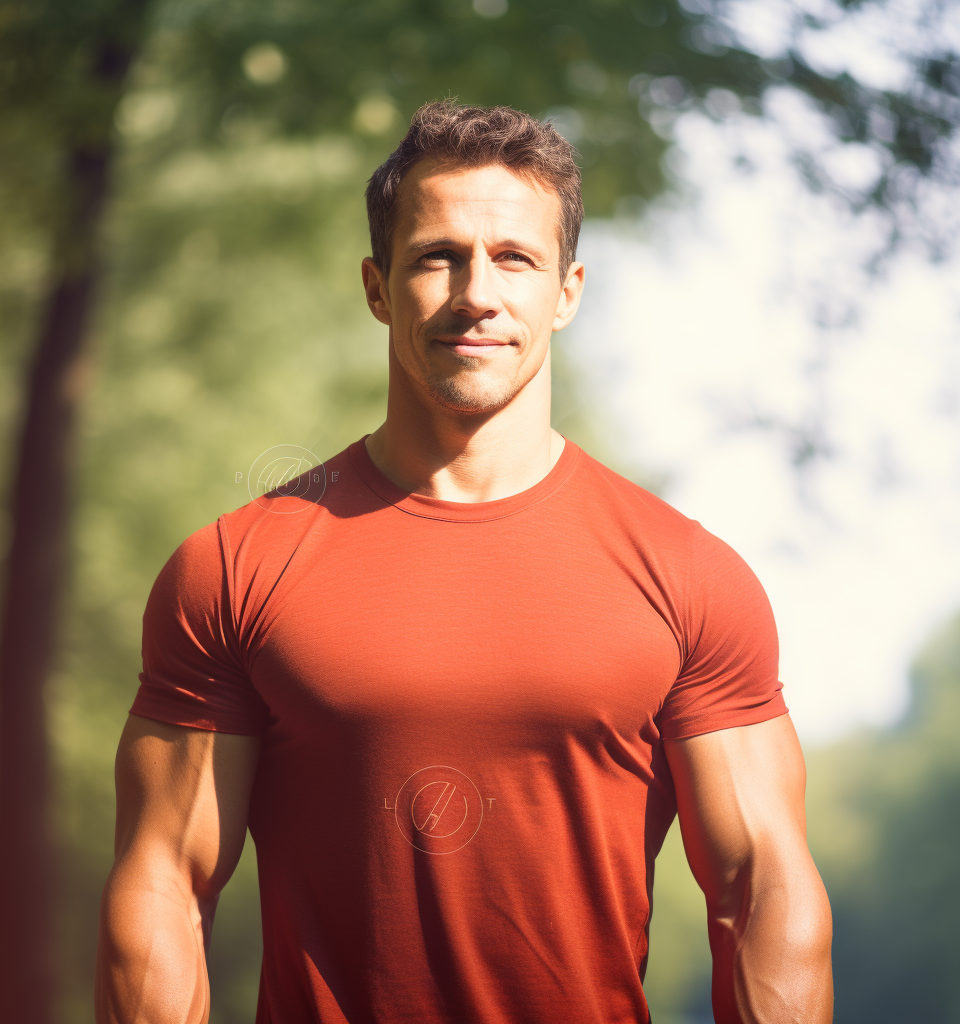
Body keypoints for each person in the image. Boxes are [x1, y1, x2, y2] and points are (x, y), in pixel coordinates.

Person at [95, 101, 833, 1024]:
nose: (475, 292)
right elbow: (164, 884)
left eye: (514, 258)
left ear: (566, 291)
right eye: (437, 256)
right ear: (376, 286)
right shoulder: (235, 568)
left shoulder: (689, 578)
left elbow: (760, 888)